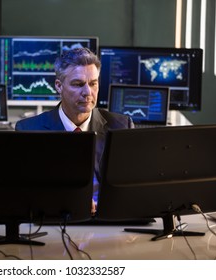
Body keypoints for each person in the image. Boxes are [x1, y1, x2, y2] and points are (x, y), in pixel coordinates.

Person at [15, 47, 134, 214]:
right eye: (78, 84)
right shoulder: (29, 130)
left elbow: (129, 189)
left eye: (93, 84)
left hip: (108, 222)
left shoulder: (121, 126)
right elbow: (26, 193)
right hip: (55, 221)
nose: (87, 92)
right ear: (58, 86)